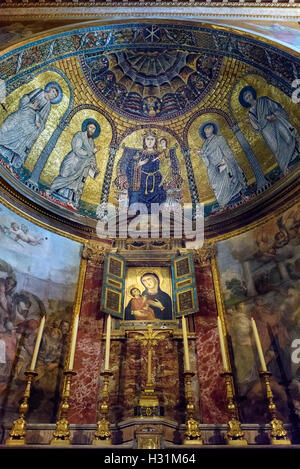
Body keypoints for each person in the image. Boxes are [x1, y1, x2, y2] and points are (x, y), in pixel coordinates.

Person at [239, 85, 300, 174]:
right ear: (245, 101)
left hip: (277, 122)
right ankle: (287, 165)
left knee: (288, 138)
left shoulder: (264, 100)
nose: (248, 97)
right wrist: (251, 122)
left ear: (252, 93)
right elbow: (257, 128)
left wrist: (274, 115)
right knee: (276, 148)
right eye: (246, 97)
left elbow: (278, 107)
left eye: (248, 94)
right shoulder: (250, 113)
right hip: (266, 131)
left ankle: (296, 158)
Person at [0, 83, 61, 169]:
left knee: (32, 131)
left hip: (33, 120)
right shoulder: (39, 91)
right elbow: (25, 98)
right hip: (25, 111)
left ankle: (12, 157)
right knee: (18, 123)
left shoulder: (48, 106)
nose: (53, 95)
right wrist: (30, 105)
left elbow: (43, 120)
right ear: (49, 89)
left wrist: (38, 122)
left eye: (54, 95)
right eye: (53, 92)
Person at [49, 119, 100, 208]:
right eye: (91, 127)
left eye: (94, 129)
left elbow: (92, 156)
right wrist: (92, 151)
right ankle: (55, 194)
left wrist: (93, 163)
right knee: (66, 177)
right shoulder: (79, 135)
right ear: (87, 127)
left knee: (75, 184)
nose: (92, 130)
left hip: (82, 166)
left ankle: (67, 200)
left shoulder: (91, 141)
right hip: (73, 162)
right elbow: (77, 149)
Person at [197, 122, 247, 208]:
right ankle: (223, 203)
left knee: (226, 181)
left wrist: (227, 162)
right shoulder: (204, 144)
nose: (207, 130)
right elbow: (207, 161)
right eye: (206, 128)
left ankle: (233, 200)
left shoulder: (219, 138)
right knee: (216, 185)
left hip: (222, 163)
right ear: (204, 131)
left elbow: (226, 151)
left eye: (209, 127)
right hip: (212, 168)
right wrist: (201, 155)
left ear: (213, 129)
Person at [115, 130, 167, 211]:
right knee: (140, 197)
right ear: (144, 141)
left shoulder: (159, 154)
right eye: (148, 139)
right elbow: (130, 166)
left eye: (152, 139)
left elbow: (166, 166)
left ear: (155, 141)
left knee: (156, 199)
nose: (150, 142)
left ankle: (154, 216)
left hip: (156, 180)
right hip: (142, 180)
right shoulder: (139, 153)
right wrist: (139, 164)